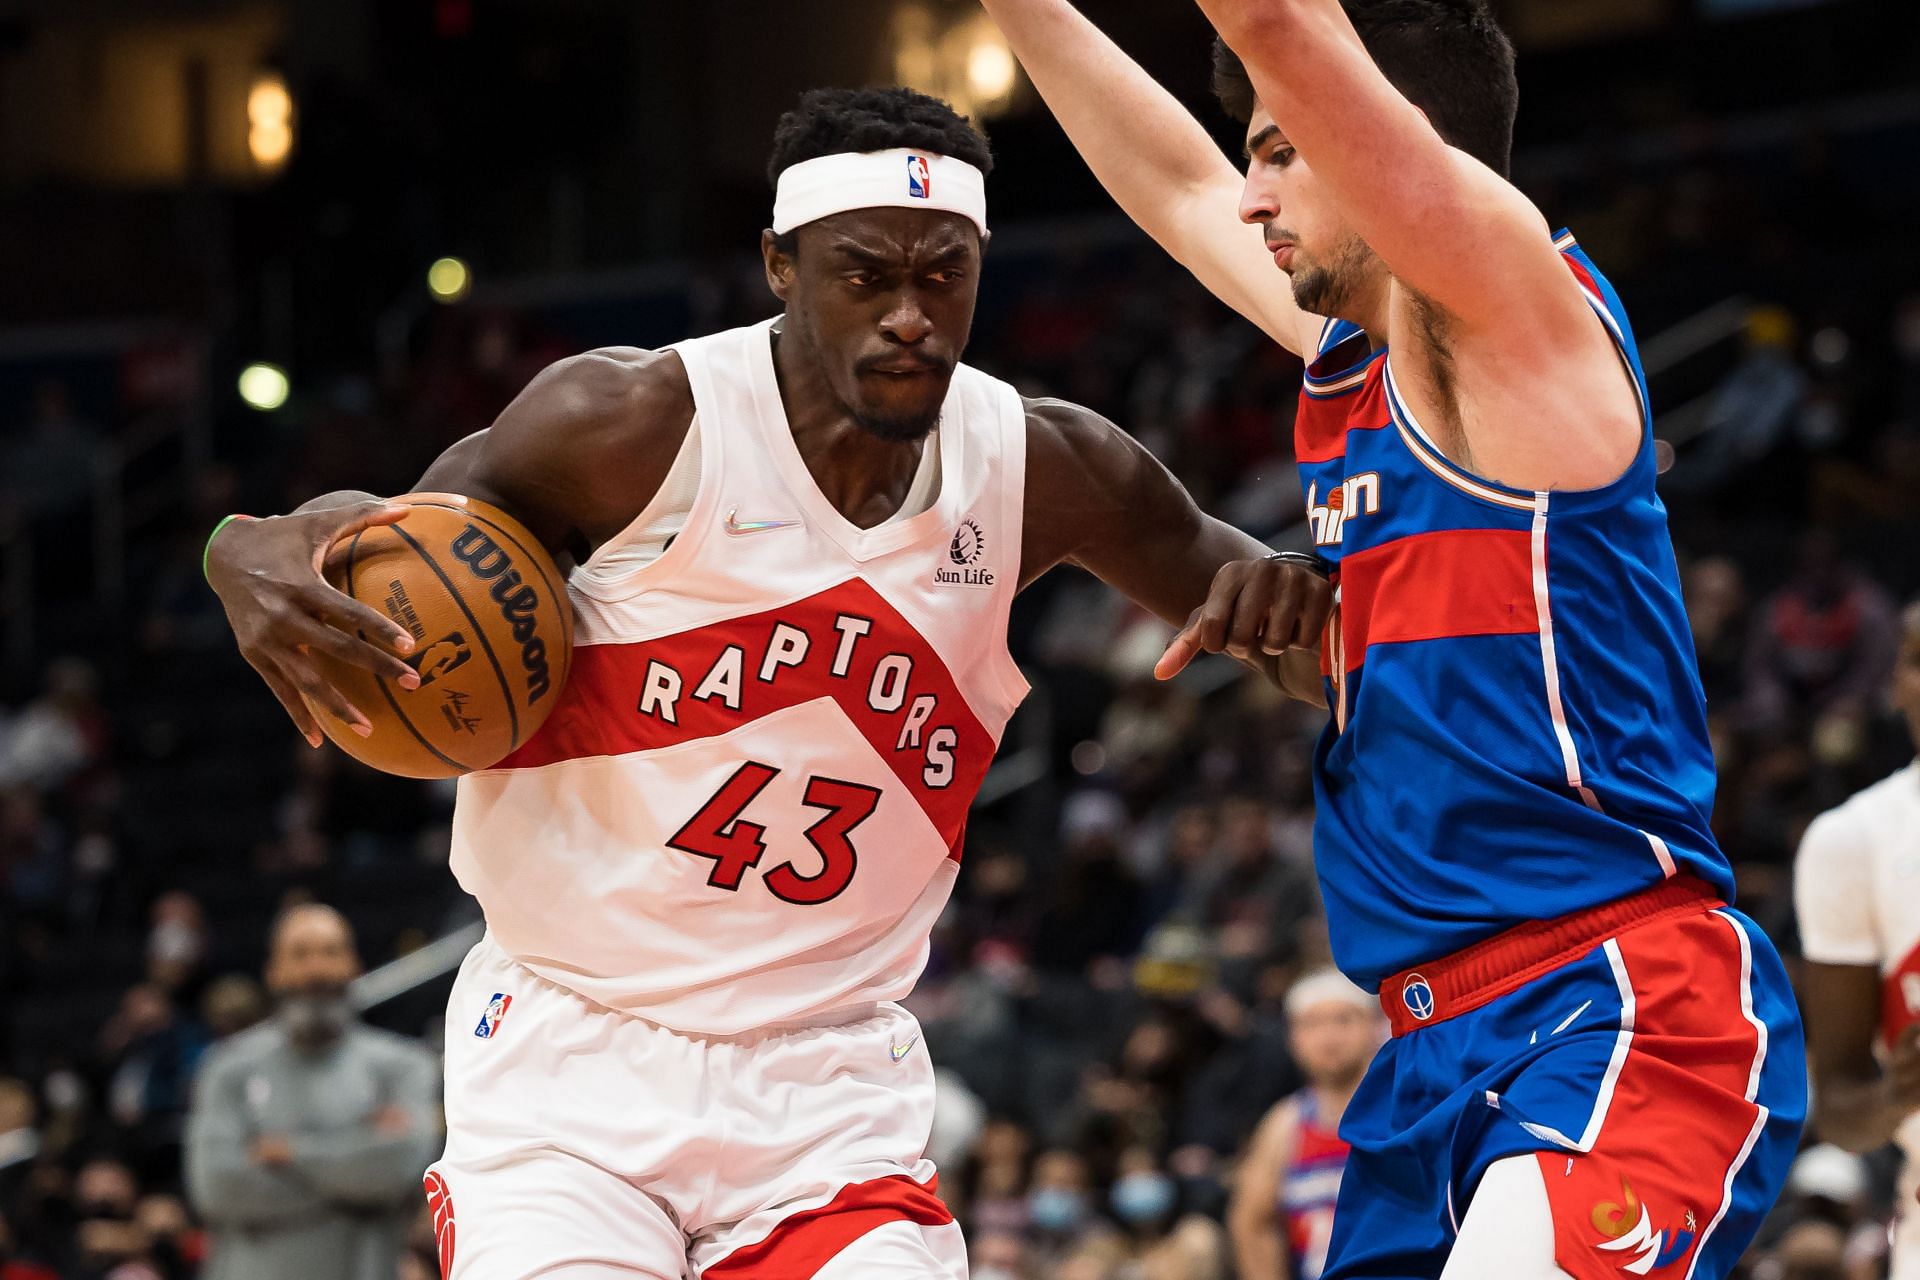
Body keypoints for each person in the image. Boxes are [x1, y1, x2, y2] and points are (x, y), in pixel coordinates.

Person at [205, 86, 1333, 1278]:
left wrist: (1303, 604)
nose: (909, 315)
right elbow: (396, 543)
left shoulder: (1043, 470)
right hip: (572, 1058)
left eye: (943, 276)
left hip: (827, 1082)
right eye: (864, 275)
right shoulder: (628, 424)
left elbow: (1316, 634)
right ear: (781, 265)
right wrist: (244, 542)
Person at [978, 0, 1806, 1276]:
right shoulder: (1358, 354)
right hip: (1427, 1044)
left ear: (1384, 135)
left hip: (1617, 1003)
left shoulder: (1504, 313)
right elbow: (1174, 188)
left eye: (1279, 149)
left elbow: (1277, 20)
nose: (1250, 196)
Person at [184, 905, 440, 1280]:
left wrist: (287, 1152)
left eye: (331, 952)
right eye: (300, 954)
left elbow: (400, 1168)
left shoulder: (404, 1066)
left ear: (355, 965)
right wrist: (357, 1166)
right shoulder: (227, 1067)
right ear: (273, 971)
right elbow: (217, 1186)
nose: (316, 970)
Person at [1794, 599, 1920, 1280]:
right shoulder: (1853, 841)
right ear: (1895, 682)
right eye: (1919, 660)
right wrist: (1896, 1097)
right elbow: (1841, 1109)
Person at [1228, 970, 1382, 1280]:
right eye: (1312, 1024)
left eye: (1343, 1020)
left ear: (1374, 1027)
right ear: (1293, 1038)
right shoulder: (1284, 1124)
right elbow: (1252, 1225)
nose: (1329, 1037)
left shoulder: (1404, 1110)